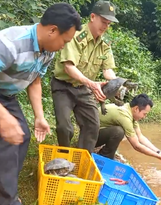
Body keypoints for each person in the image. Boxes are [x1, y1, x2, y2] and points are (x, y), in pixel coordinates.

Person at [0, 3, 81, 205]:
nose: (64, 46)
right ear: (52, 30)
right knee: (8, 140)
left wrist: (39, 117)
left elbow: (35, 80)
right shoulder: (10, 43)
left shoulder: (47, 50)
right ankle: (7, 200)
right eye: (65, 40)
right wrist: (3, 117)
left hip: (5, 93)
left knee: (21, 136)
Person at [51, 0, 120, 153]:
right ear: (93, 17)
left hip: (84, 89)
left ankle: (82, 159)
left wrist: (117, 85)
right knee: (64, 127)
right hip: (64, 86)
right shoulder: (75, 35)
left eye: (109, 24)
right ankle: (64, 158)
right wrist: (91, 84)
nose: (105, 26)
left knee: (92, 126)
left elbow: (108, 71)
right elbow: (69, 67)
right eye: (103, 21)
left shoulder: (106, 43)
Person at [95, 94, 161, 166]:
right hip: (85, 137)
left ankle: (105, 156)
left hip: (93, 134)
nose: (144, 117)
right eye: (144, 114)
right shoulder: (124, 116)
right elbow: (136, 145)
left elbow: (140, 137)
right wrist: (160, 157)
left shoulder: (129, 112)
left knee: (119, 131)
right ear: (136, 108)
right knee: (118, 132)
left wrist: (159, 152)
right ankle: (104, 158)